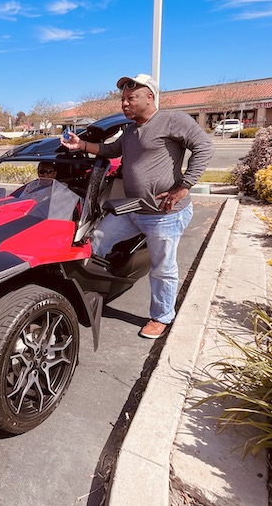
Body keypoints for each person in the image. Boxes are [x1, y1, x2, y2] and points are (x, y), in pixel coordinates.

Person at [63, 73, 214, 340]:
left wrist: (184, 185)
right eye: (122, 99)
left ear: (150, 97)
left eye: (131, 98)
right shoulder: (130, 130)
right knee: (94, 240)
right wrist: (82, 145)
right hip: (132, 208)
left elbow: (204, 147)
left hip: (164, 213)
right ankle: (88, 292)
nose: (124, 103)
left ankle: (162, 317)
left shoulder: (172, 120)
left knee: (163, 267)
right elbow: (111, 151)